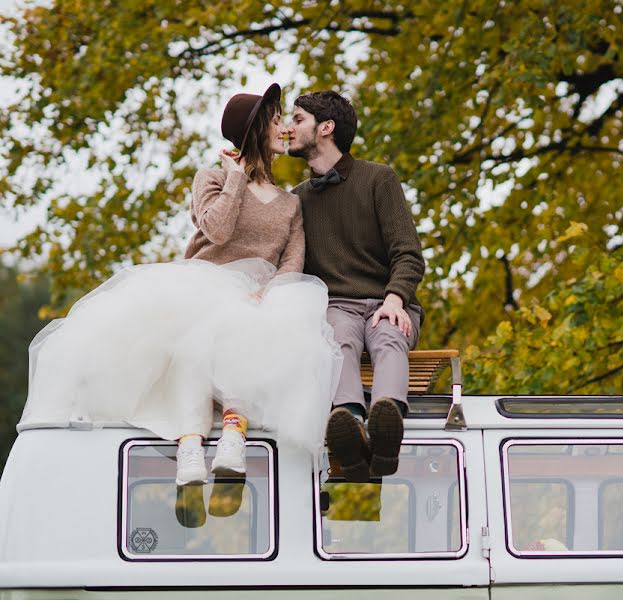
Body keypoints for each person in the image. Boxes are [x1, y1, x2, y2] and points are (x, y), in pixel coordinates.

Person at [21, 84, 342, 486]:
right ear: (256, 128)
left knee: (255, 330)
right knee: (197, 340)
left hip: (259, 294)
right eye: (276, 120)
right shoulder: (211, 178)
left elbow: (293, 257)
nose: (284, 128)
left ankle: (233, 438)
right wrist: (236, 179)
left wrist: (272, 292)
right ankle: (189, 447)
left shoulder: (290, 201)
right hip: (204, 284)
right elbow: (218, 230)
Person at [286, 91, 425, 483]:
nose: (288, 128)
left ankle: (388, 422)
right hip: (337, 305)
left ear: (325, 128)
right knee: (335, 338)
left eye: (297, 119)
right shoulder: (297, 201)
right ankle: (348, 423)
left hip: (388, 299)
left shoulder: (378, 178)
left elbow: (409, 253)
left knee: (388, 335)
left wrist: (395, 299)